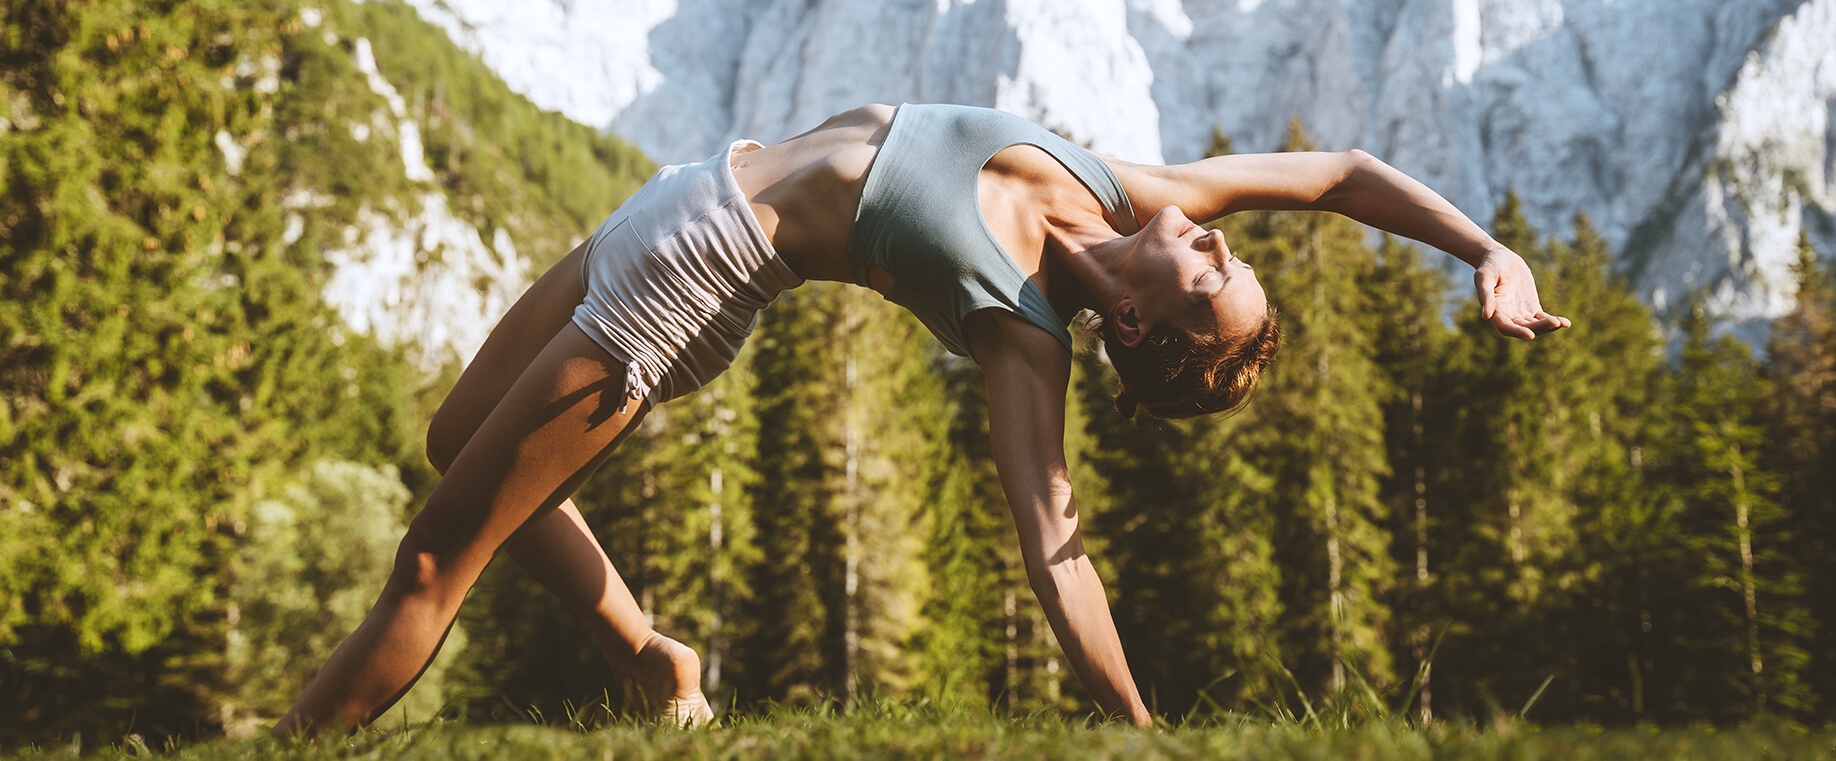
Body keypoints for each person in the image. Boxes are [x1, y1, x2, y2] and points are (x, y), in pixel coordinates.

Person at [274, 102, 1567, 734]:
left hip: (686, 282)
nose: (1221, 249)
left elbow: (1059, 558)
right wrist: (1483, 251)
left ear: (1147, 334)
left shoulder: (1023, 336)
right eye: (1233, 261)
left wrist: (1138, 739)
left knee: (438, 556)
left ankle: (288, 752)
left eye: (1217, 283)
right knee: (458, 446)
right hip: (673, 194)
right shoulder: (1129, 186)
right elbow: (1338, 177)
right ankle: (650, 664)